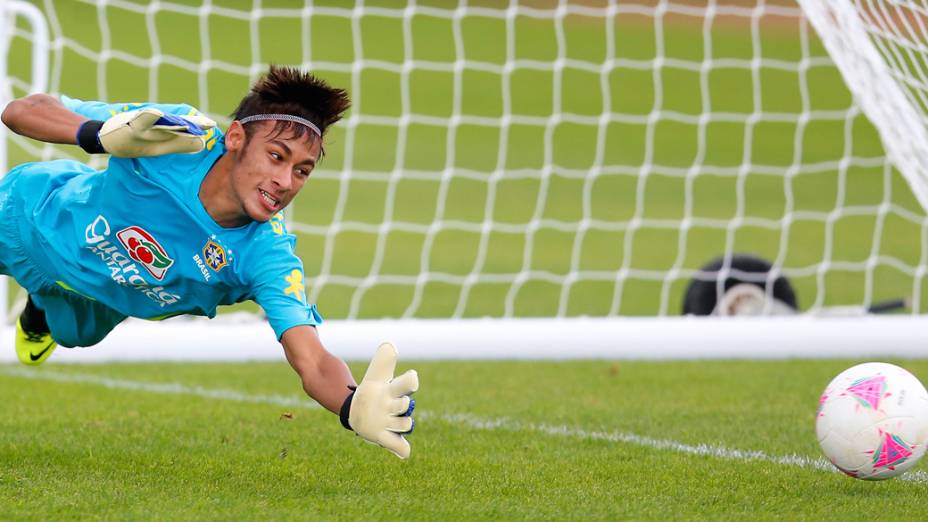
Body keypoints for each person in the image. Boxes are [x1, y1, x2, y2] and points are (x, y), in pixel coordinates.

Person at [0, 65, 418, 459]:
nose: (286, 182)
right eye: (276, 156)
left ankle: (40, 311)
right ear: (235, 138)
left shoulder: (266, 255)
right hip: (26, 217)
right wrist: (99, 135)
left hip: (99, 297)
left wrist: (349, 404)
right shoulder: (176, 135)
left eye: (302, 170)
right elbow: (21, 111)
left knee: (74, 336)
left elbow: (310, 357)